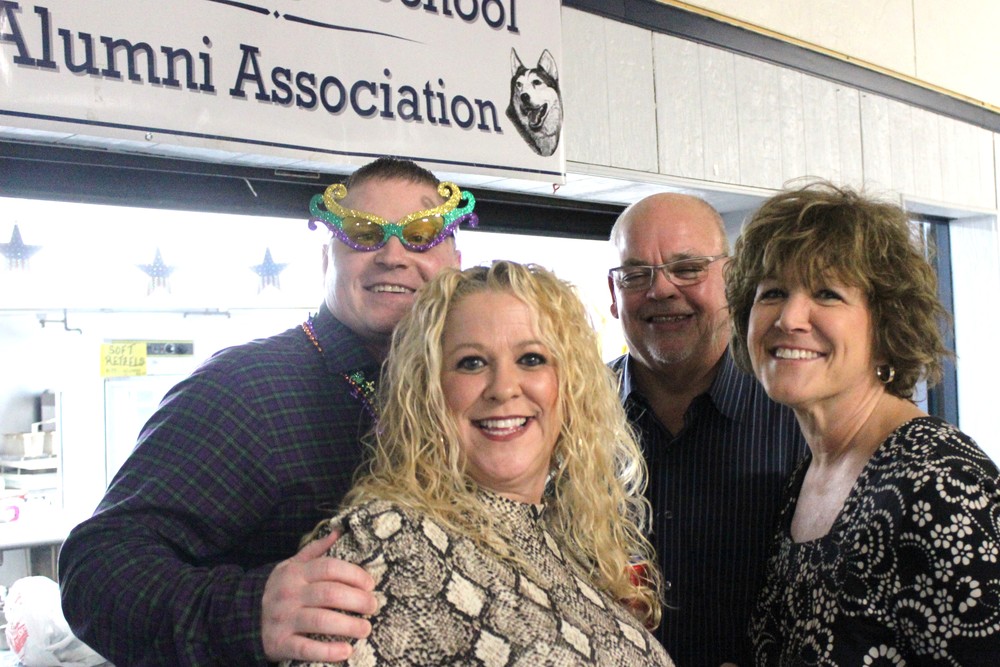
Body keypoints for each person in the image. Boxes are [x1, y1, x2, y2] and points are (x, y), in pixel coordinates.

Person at [58, 157, 476, 666]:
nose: (393, 255)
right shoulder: (244, 388)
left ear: (456, 263)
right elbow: (97, 569)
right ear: (326, 261)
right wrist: (250, 612)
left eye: (422, 235)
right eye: (364, 234)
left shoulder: (472, 392)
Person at [282, 260, 674, 666]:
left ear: (572, 386)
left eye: (531, 359)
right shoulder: (386, 540)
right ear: (430, 391)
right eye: (471, 362)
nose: (503, 388)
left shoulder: (572, 539)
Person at [725, 180, 1000, 664]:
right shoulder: (808, 475)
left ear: (888, 326)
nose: (789, 318)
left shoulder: (941, 483)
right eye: (773, 292)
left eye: (827, 293)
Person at [606, 194, 806, 666]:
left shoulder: (799, 412)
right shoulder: (567, 414)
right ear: (612, 295)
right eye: (635, 275)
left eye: (688, 268)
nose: (661, 290)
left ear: (732, 280)